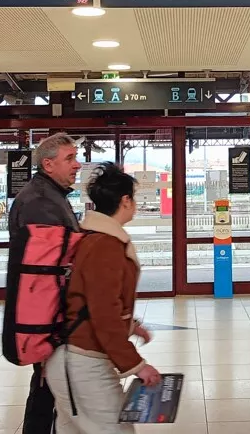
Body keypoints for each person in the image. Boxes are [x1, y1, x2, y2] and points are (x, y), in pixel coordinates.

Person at [44, 163, 160, 434]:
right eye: (134, 198)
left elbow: (97, 300)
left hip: (77, 360)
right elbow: (103, 311)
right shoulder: (105, 245)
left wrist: (131, 326)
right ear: (125, 200)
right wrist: (136, 366)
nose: (136, 204)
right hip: (82, 363)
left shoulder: (98, 238)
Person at [10, 133, 82, 434]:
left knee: (47, 390)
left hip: (48, 317)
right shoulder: (41, 202)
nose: (77, 165)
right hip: (47, 317)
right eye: (70, 159)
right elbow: (46, 271)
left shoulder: (50, 196)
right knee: (47, 390)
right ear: (48, 164)